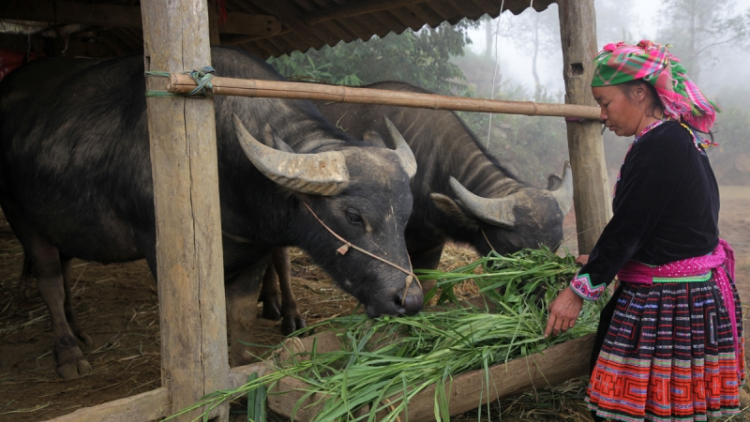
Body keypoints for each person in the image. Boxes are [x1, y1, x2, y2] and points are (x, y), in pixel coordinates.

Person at [545, 40, 745, 422]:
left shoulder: (663, 143)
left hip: (670, 302)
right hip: (691, 290)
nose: (602, 115)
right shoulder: (677, 137)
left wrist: (577, 291)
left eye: (606, 103)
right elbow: (672, 224)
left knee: (639, 410)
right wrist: (618, 259)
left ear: (639, 92)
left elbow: (630, 225)